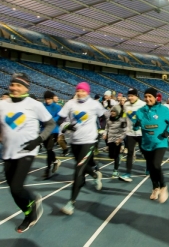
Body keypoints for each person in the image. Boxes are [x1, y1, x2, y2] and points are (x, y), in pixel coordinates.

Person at [0, 73, 56, 232]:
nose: (14, 88)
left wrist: (38, 140)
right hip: (8, 151)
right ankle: (29, 206)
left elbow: (50, 124)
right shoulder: (3, 104)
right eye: (12, 84)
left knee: (17, 188)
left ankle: (30, 215)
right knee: (13, 189)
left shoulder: (34, 105)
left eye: (18, 85)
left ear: (26, 87)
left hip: (27, 151)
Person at [57, 82, 106, 215]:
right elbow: (60, 120)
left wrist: (101, 130)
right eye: (78, 91)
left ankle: (71, 203)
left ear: (88, 92)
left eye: (83, 91)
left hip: (89, 141)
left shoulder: (94, 104)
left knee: (78, 170)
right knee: (82, 166)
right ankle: (95, 174)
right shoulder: (70, 104)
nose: (80, 93)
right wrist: (67, 126)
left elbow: (102, 117)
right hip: (74, 141)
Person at [135, 88, 169, 203]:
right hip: (146, 143)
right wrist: (136, 124)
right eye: (146, 97)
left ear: (155, 97)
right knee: (151, 168)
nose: (148, 99)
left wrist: (168, 132)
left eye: (150, 97)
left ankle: (163, 187)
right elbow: (135, 127)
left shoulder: (163, 109)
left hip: (160, 142)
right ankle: (155, 188)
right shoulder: (140, 111)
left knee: (156, 164)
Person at [120, 88, 146, 182]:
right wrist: (123, 123)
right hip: (130, 132)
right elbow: (124, 115)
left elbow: (146, 117)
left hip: (141, 132)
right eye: (129, 96)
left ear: (136, 96)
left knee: (145, 151)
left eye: (132, 96)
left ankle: (148, 167)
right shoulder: (126, 104)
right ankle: (128, 173)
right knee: (130, 152)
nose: (130, 97)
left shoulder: (143, 104)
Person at [42, 90, 62, 179]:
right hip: (44, 131)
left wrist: (50, 120)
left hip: (54, 131)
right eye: (46, 99)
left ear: (52, 98)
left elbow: (59, 117)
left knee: (49, 149)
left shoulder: (57, 107)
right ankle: (55, 160)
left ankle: (47, 170)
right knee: (47, 149)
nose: (48, 101)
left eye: (49, 99)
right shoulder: (42, 106)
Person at [103, 105, 127, 178]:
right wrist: (105, 134)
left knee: (116, 155)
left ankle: (115, 171)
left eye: (114, 111)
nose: (112, 113)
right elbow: (106, 128)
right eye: (112, 111)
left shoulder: (122, 120)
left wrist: (120, 139)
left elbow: (125, 131)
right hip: (110, 139)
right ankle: (119, 156)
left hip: (117, 139)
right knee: (111, 156)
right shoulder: (108, 120)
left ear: (118, 112)